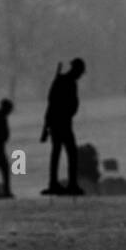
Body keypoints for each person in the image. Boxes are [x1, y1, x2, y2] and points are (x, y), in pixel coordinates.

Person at [42, 59, 85, 196]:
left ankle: (57, 183)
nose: (80, 75)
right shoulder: (66, 82)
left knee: (59, 152)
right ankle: (66, 183)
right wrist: (47, 126)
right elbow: (53, 103)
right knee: (69, 153)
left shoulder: (65, 81)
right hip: (61, 122)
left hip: (61, 122)